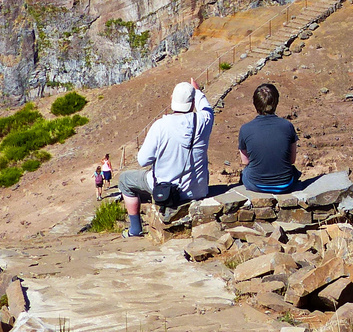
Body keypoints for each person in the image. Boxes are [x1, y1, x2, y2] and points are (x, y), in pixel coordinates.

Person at [115, 80, 214, 237]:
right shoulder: (204, 121)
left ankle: (135, 229)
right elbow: (207, 108)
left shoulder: (160, 126)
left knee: (125, 180)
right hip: (198, 190)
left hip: (167, 191)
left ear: (171, 99)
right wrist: (198, 91)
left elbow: (143, 160)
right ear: (193, 102)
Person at [238, 82, 301, 193]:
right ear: (276, 102)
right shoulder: (287, 126)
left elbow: (245, 161)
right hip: (285, 184)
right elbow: (292, 160)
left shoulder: (245, 129)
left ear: (255, 104)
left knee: (245, 172)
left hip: (256, 184)